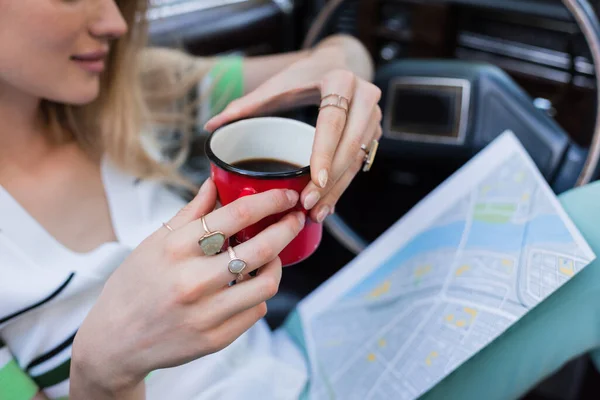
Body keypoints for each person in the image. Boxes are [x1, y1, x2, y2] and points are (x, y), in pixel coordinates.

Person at [0, 1, 382, 399]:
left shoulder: (129, 90)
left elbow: (348, 56)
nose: (114, 24)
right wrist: (100, 374)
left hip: (308, 374)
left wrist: (337, 78)